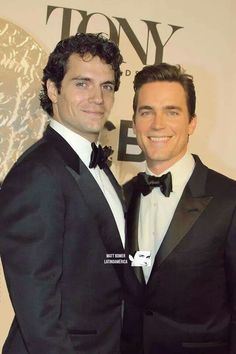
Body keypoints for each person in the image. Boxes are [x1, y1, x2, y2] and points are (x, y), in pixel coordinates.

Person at [0, 32, 139, 354]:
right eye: (82, 83)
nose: (97, 98)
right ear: (53, 89)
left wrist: (152, 260)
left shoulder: (95, 165)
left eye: (106, 86)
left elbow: (103, 256)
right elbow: (37, 304)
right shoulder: (37, 174)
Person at [123, 63, 236, 354]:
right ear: (134, 123)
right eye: (146, 112)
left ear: (192, 123)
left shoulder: (230, 200)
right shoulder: (120, 197)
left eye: (172, 112)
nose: (157, 124)